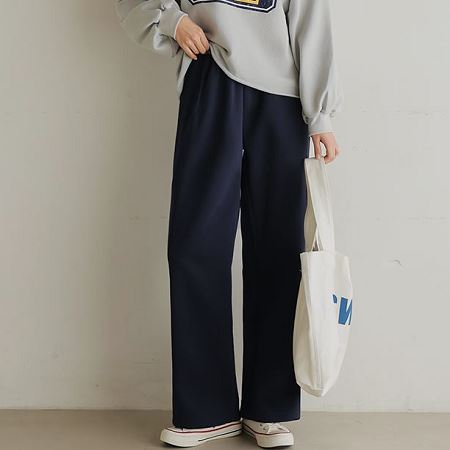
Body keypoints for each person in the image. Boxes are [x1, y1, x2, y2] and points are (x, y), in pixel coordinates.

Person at [115, 0, 343, 447]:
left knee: (278, 248)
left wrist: (321, 114)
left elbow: (310, 17)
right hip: (211, 77)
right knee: (195, 244)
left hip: (282, 94)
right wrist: (172, 20)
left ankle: (268, 409)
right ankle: (205, 411)